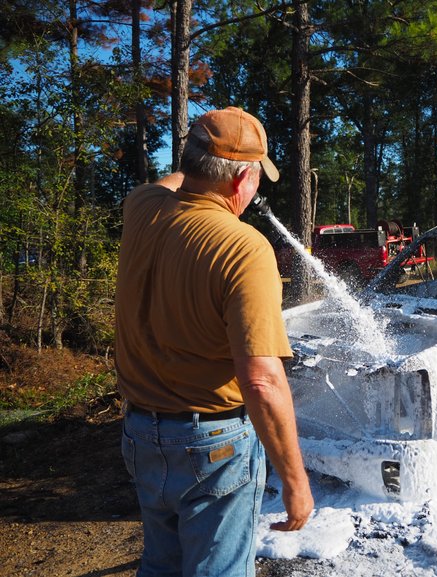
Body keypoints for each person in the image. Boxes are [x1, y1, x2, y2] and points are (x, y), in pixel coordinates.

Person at [115, 106, 314, 577]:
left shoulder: (142, 208)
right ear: (241, 177)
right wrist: (295, 481)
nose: (256, 189)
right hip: (214, 447)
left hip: (141, 434)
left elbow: (169, 184)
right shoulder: (243, 247)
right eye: (256, 177)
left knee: (161, 565)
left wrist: (198, 153)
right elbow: (262, 381)